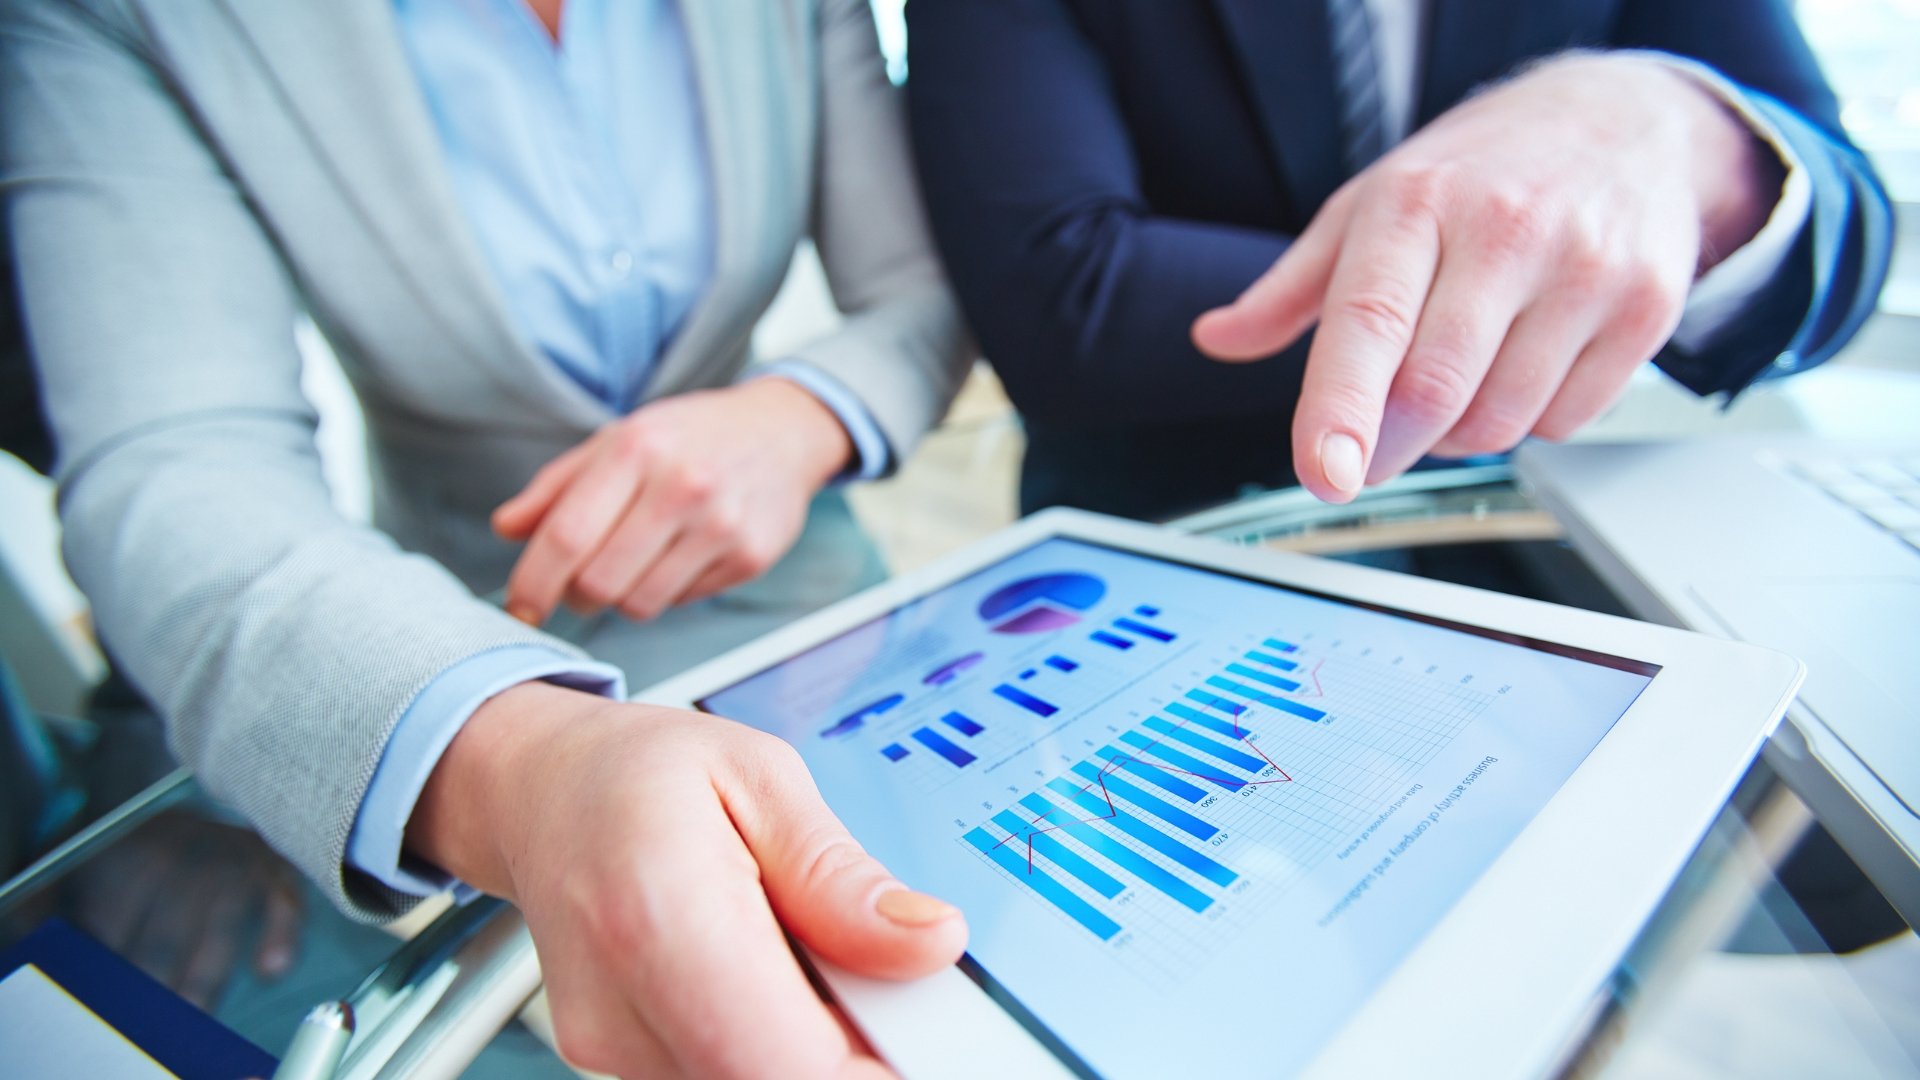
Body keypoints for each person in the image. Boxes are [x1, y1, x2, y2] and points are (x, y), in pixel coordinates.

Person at [2, 0, 970, 1075]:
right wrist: (514, 765)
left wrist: (804, 416)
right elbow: (178, 459)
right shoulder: (115, 19)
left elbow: (922, 291)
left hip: (828, 634)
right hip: (451, 675)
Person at [907, 0, 1893, 520]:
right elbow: (1063, 293)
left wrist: (1684, 135)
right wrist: (1474, 287)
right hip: (1164, 530)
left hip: (1567, 529)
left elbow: (1843, 211)